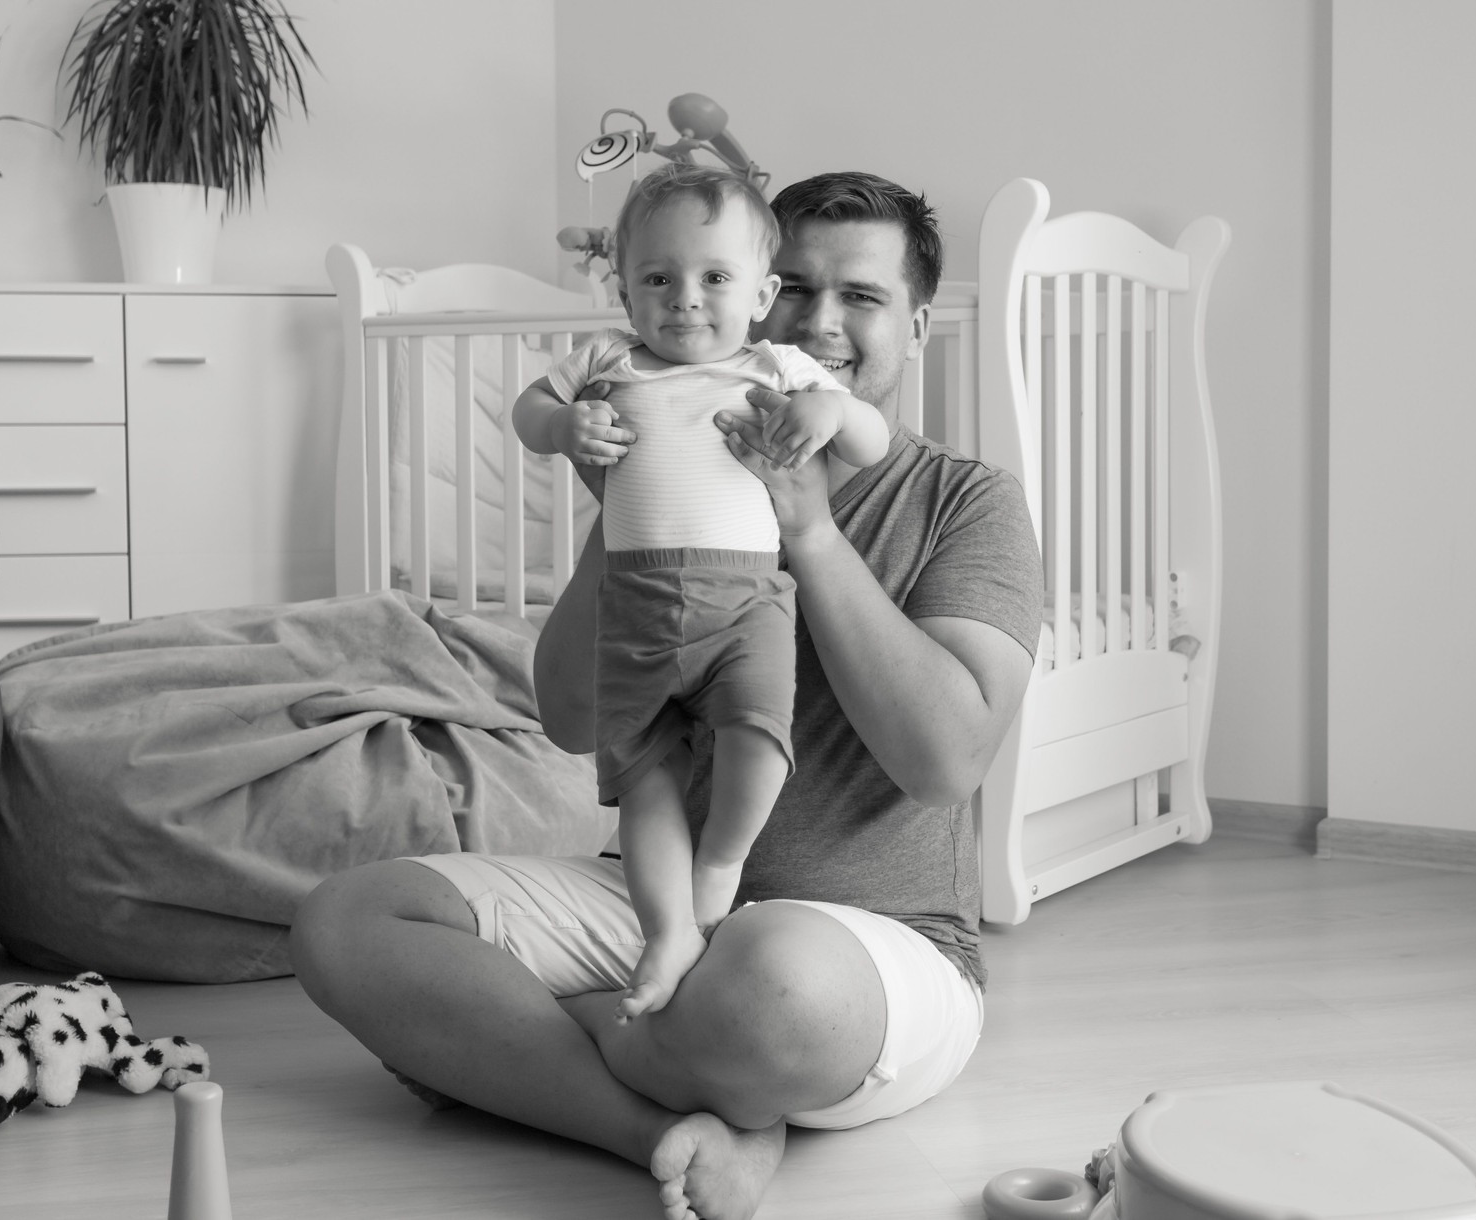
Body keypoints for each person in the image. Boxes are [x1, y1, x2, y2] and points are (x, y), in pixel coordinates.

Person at [292, 171, 1044, 1220]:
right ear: (756, 293)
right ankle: (681, 1126)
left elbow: (944, 759)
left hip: (867, 945)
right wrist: (619, 515)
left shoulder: (966, 498)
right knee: (348, 918)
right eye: (799, 291)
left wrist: (811, 529)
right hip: (658, 903)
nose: (820, 323)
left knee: (769, 982)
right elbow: (569, 714)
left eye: (861, 298)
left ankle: (531, 1048)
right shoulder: (670, 452)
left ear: (916, 325)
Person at [509, 164, 889, 1020]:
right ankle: (668, 926)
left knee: (758, 741)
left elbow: (867, 440)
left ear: (761, 293)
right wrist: (563, 425)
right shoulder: (606, 358)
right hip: (636, 603)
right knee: (643, 778)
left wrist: (828, 414)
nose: (685, 299)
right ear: (624, 288)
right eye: (659, 278)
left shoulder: (778, 363)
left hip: (746, 604)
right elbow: (530, 413)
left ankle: (720, 865)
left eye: (714, 278)